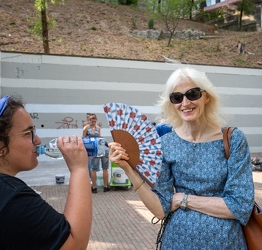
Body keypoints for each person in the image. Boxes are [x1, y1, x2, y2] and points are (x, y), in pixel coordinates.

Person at [109, 67, 254, 249]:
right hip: (177, 242)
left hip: (224, 243)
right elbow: (161, 210)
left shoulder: (232, 139)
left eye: (192, 94)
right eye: (177, 97)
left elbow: (240, 205)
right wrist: (128, 170)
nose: (185, 103)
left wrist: (183, 199)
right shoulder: (165, 143)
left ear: (206, 97)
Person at [0, 95, 92, 249]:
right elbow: (74, 245)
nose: (37, 140)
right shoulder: (0, 192)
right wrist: (79, 168)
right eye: (28, 134)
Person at [82, 113, 110, 193]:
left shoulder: (96, 128)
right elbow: (84, 140)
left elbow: (85, 140)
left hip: (99, 148)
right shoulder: (86, 128)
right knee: (97, 168)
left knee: (99, 168)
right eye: (92, 121)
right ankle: (99, 187)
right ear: (89, 121)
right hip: (97, 148)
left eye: (94, 121)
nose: (93, 122)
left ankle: (99, 187)